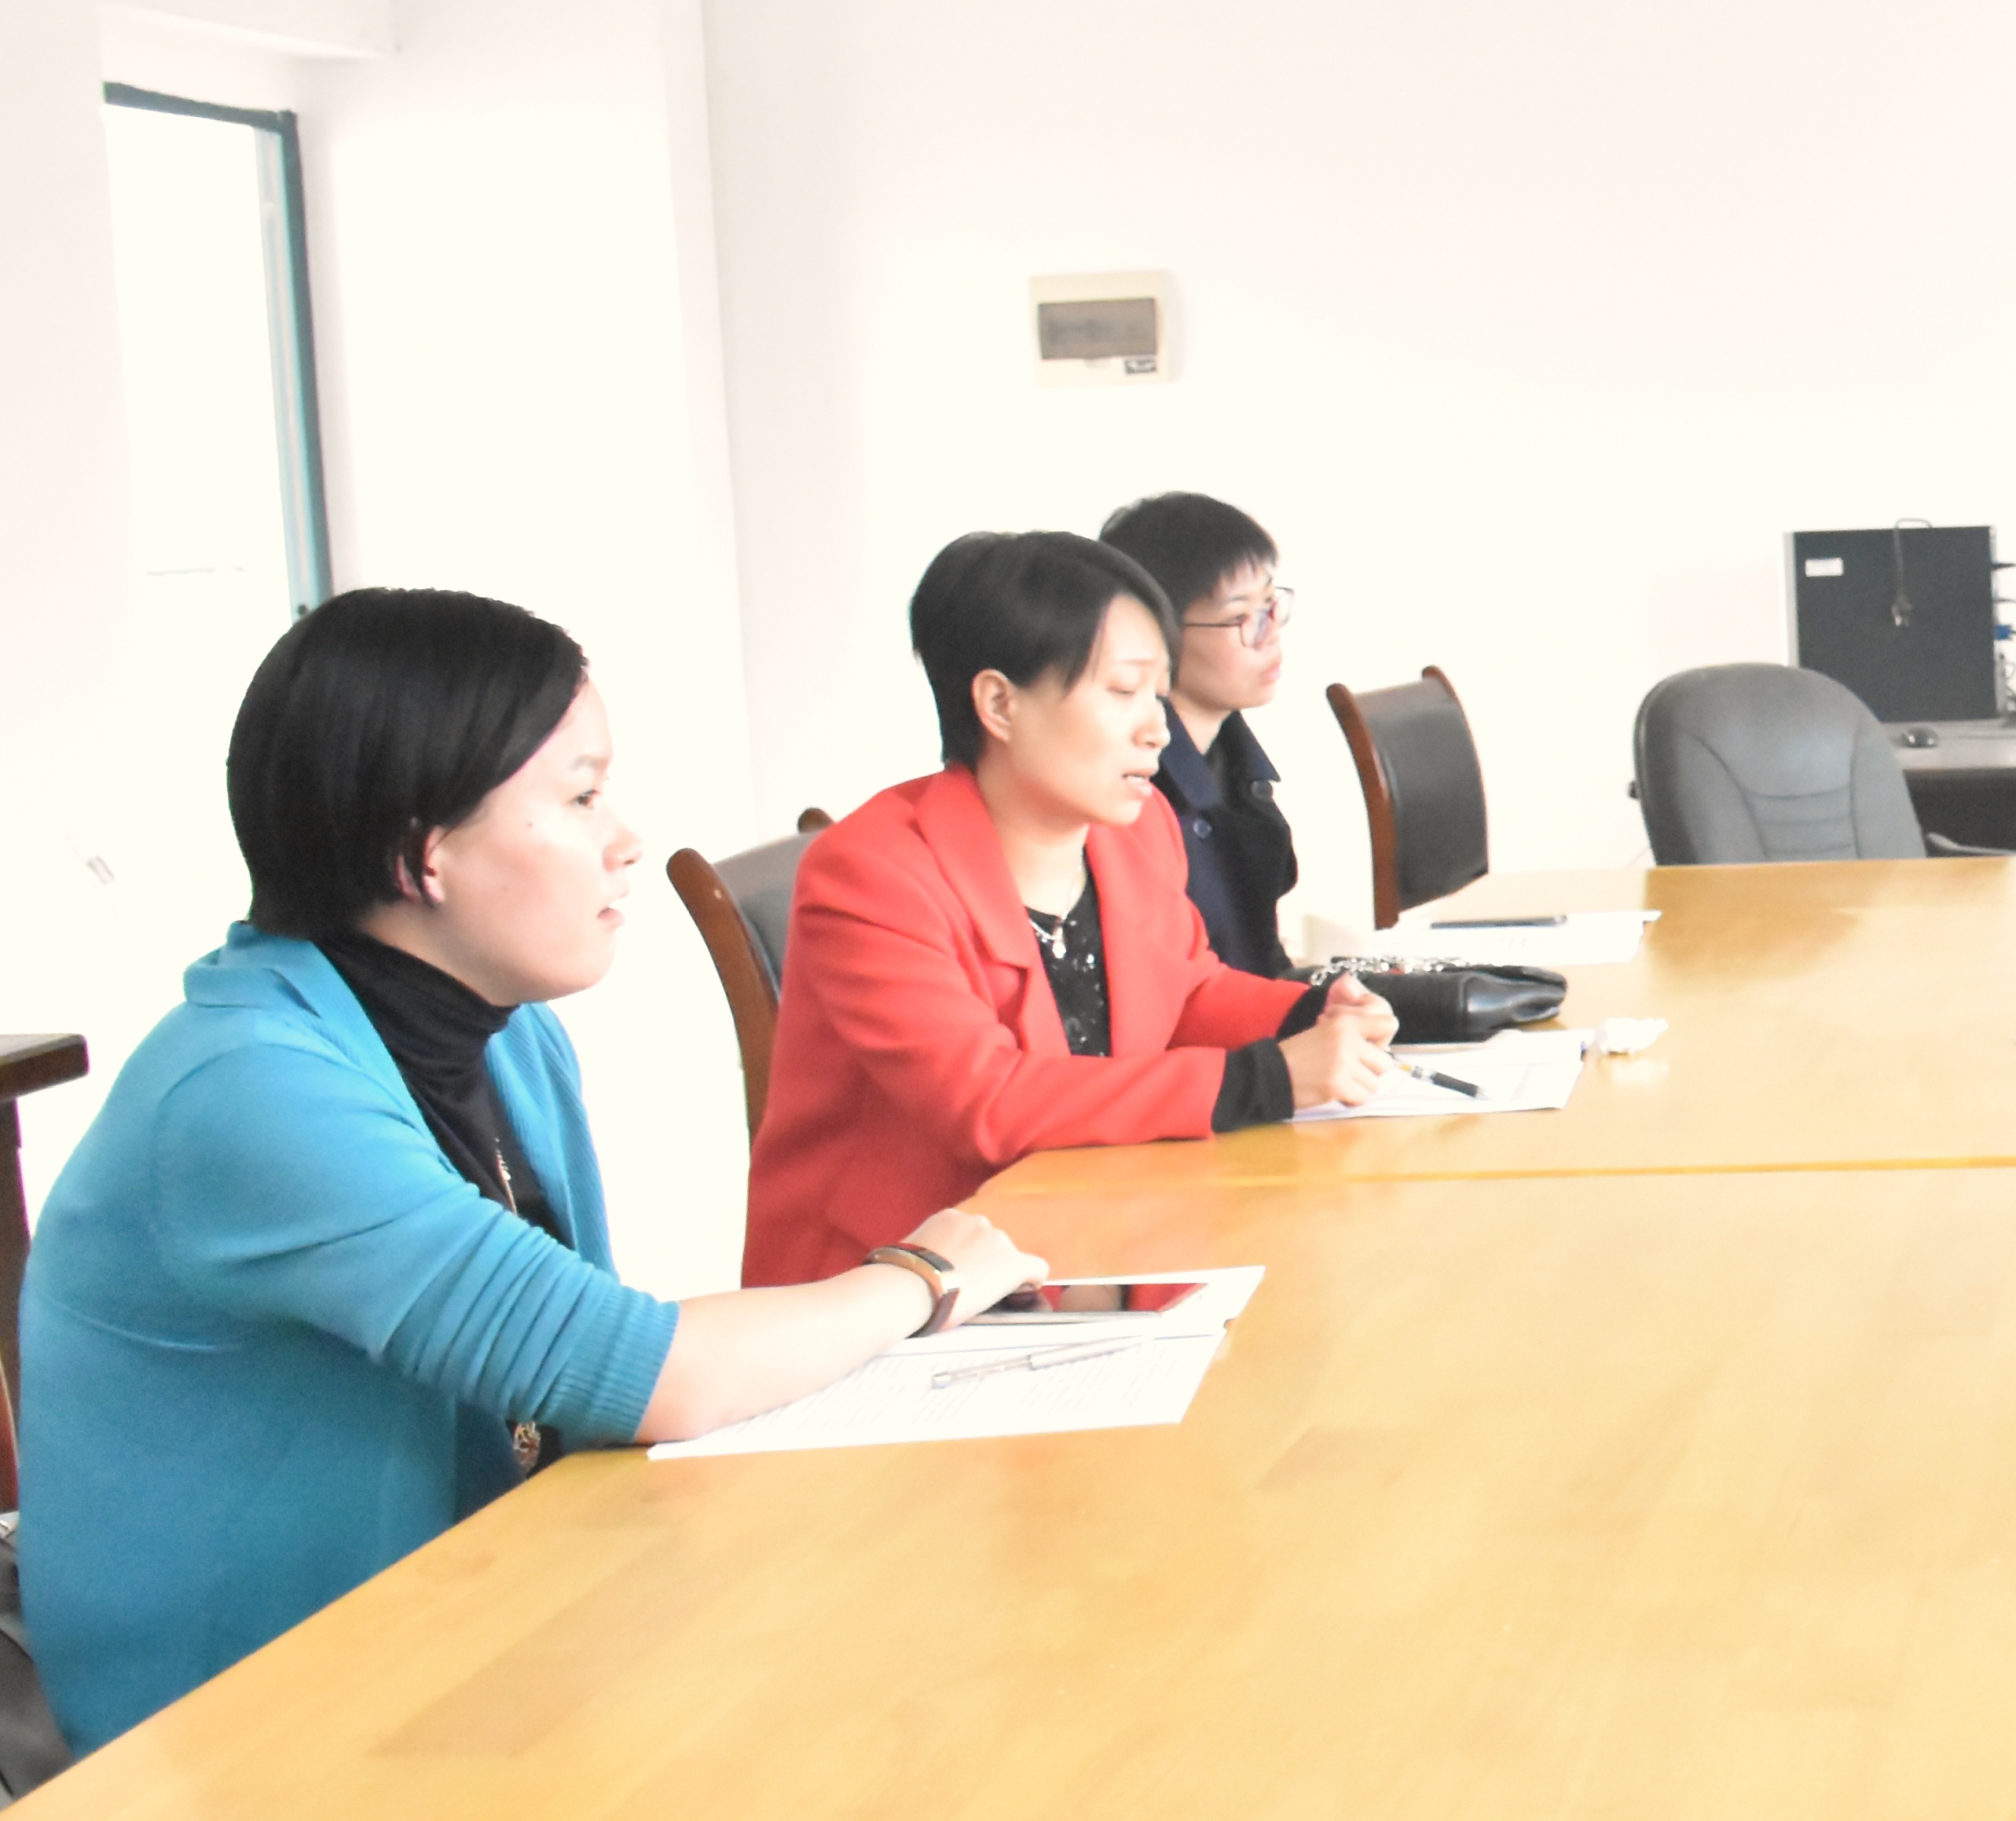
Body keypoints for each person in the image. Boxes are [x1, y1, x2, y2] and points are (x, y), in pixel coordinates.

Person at [22, 592, 1050, 1750]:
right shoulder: (249, 1090)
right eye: (580, 796)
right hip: (250, 1733)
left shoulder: (509, 1036)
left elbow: (575, 1405)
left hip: (474, 1626)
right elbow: (642, 1373)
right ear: (424, 853)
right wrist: (922, 1275)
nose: (626, 840)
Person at [745, 532, 1399, 1285]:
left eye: (1159, 694)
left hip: (1092, 1236)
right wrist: (1269, 1078)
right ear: (999, 703)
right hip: (901, 1290)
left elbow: (1186, 992)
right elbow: (987, 1102)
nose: (1158, 730)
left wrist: (1308, 1013)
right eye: (1123, 692)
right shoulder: (871, 873)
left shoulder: (1136, 829)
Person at [1098, 491, 1300, 976]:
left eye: (1270, 604)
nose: (1269, 631)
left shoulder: (1236, 760)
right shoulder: (1133, 790)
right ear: (1156, 635)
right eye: (1241, 616)